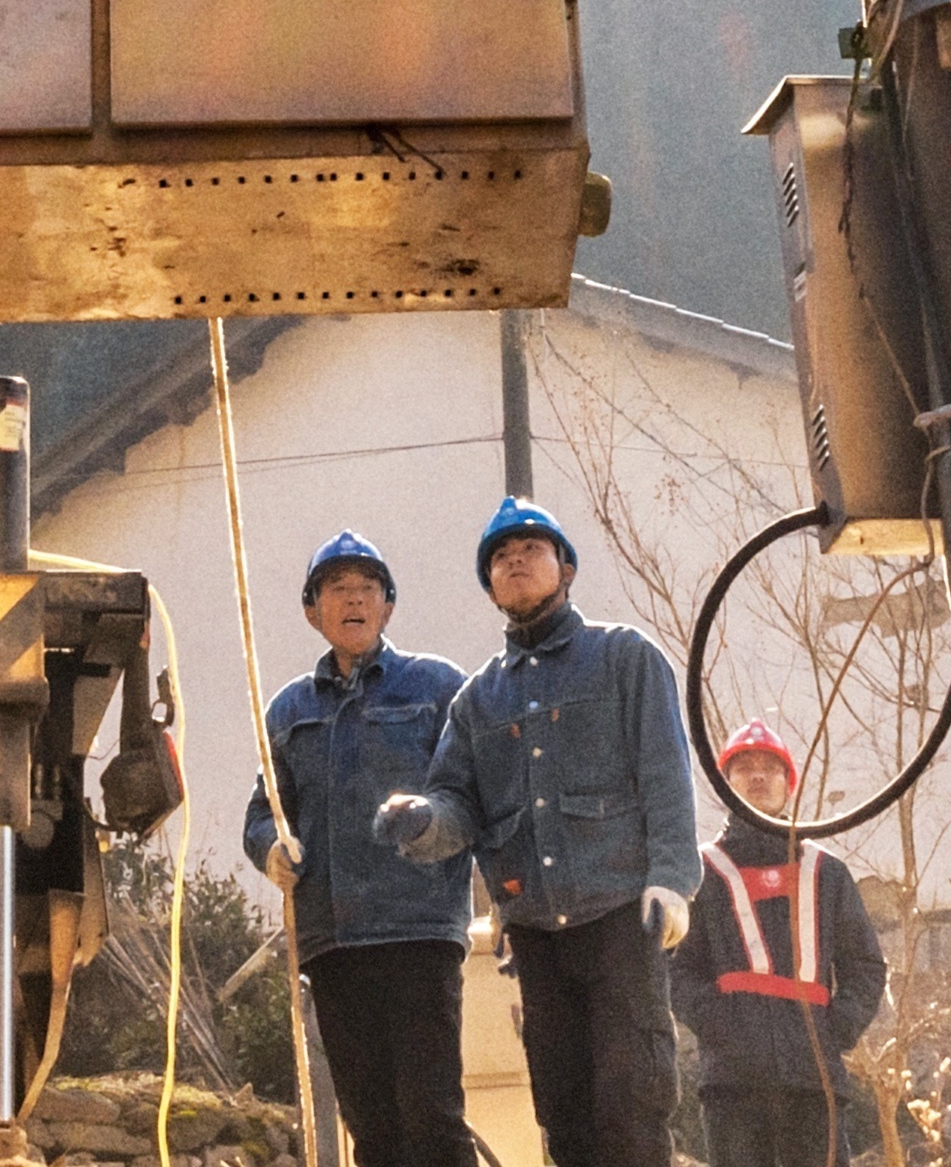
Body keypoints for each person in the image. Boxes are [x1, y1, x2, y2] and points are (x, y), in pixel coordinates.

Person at [375, 499, 701, 1167]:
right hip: (534, 933)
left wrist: (672, 880)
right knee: (562, 1109)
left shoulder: (625, 659)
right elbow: (456, 804)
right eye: (500, 556)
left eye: (531, 548)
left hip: (620, 915)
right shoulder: (476, 703)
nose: (515, 560)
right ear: (490, 585)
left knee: (630, 1099)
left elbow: (665, 773)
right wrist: (423, 821)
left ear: (566, 567)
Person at [241, 531, 472, 1167]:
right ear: (313, 611)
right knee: (371, 1126)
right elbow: (263, 813)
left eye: (367, 588)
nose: (353, 599)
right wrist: (272, 848)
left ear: (388, 607)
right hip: (333, 940)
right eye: (336, 589)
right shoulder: (289, 709)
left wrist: (431, 822)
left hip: (418, 931)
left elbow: (473, 795)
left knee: (432, 1115)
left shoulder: (436, 687)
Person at [667, 723, 885, 1167]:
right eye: (744, 768)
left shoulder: (828, 873)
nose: (758, 777)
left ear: (790, 784)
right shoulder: (699, 873)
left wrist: (834, 1031)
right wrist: (721, 1026)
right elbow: (677, 968)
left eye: (770, 768)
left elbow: (866, 966)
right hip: (733, 1086)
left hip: (814, 1083)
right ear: (726, 784)